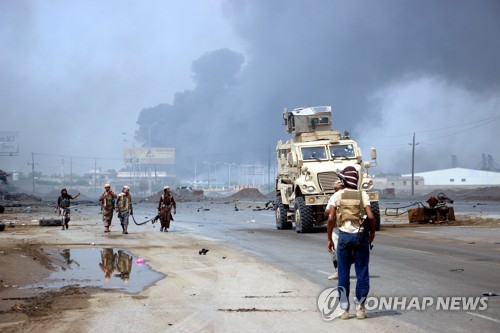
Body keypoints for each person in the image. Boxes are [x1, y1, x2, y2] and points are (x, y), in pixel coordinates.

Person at [327, 166, 375, 320]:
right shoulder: (362, 195)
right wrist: (372, 234)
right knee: (362, 273)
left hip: (344, 237)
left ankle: (344, 310)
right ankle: (360, 308)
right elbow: (371, 217)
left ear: (344, 180)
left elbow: (330, 218)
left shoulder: (337, 195)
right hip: (361, 237)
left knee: (343, 275)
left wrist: (329, 238)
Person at [324, 179, 344, 280]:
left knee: (334, 249)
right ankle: (339, 271)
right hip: (353, 228)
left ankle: (338, 271)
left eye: (336, 188)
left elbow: (329, 215)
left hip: (339, 228)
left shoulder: (334, 197)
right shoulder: (358, 194)